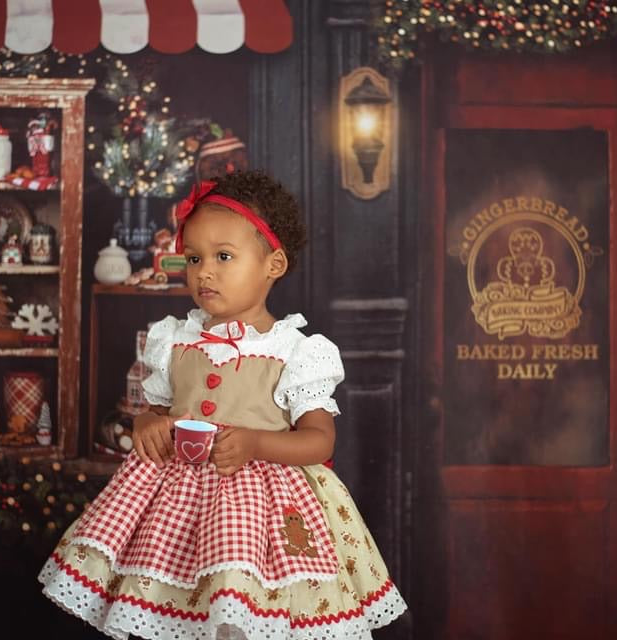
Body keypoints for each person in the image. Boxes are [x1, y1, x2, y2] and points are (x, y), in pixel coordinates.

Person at [38, 170, 407, 639]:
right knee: (173, 610)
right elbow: (155, 410)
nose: (203, 272)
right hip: (177, 507)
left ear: (273, 264)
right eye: (193, 258)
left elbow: (319, 440)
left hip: (262, 515)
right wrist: (151, 422)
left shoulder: (294, 350)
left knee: (240, 612)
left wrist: (256, 442)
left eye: (223, 257)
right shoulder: (174, 340)